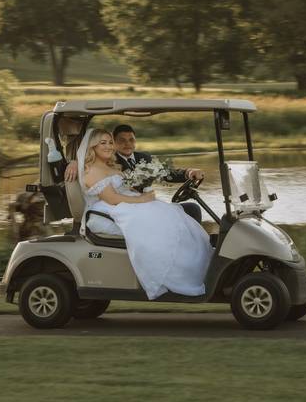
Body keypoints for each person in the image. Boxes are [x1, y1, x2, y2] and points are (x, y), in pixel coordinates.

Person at [78, 128, 213, 300]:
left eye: (110, 142)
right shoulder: (93, 170)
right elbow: (112, 198)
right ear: (92, 147)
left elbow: (158, 176)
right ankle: (176, 273)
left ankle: (197, 265)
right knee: (163, 220)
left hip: (125, 202)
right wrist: (142, 199)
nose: (109, 146)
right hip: (109, 209)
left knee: (174, 215)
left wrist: (187, 173)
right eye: (103, 143)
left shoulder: (112, 164)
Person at [65, 123, 206, 222]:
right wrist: (75, 162)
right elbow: (94, 169)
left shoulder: (142, 157)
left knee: (190, 209)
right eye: (122, 140)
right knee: (183, 213)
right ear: (116, 142)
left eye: (131, 140)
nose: (128, 144)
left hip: (141, 203)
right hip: (129, 206)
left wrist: (188, 172)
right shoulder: (108, 161)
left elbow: (165, 173)